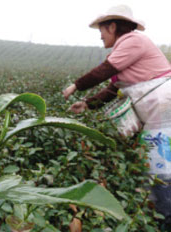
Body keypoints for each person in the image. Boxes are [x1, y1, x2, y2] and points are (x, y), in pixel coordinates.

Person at [62, 5, 171, 226]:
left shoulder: (134, 40)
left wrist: (76, 86)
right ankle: (161, 210)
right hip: (156, 113)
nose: (100, 37)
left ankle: (166, 216)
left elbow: (106, 69)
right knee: (156, 161)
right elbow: (113, 90)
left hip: (162, 109)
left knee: (161, 164)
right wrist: (86, 104)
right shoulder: (125, 50)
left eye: (101, 30)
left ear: (112, 26)